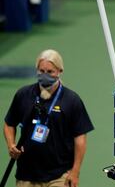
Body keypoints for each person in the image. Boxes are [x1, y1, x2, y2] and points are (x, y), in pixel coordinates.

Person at [3, 49, 94, 187]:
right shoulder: (23, 95)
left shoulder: (71, 100)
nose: (45, 75)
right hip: (26, 175)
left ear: (59, 71)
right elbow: (9, 123)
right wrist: (11, 144)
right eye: (41, 71)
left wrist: (75, 172)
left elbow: (80, 138)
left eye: (50, 72)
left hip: (59, 175)